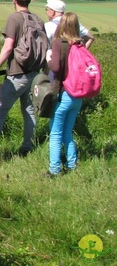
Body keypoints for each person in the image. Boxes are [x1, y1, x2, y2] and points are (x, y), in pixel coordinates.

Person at [0, 0, 46, 156]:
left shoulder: (14, 18)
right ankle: (27, 147)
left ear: (14, 0)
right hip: (35, 73)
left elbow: (8, 46)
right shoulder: (38, 20)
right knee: (29, 110)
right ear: (30, 0)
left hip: (17, 74)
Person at [47, 12, 85, 176]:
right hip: (78, 94)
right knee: (68, 131)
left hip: (63, 93)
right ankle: (72, 164)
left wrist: (48, 58)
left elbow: (55, 68)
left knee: (55, 133)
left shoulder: (59, 43)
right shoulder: (80, 44)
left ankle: (54, 169)